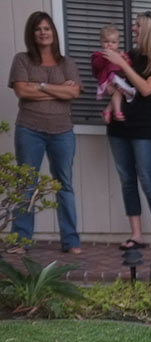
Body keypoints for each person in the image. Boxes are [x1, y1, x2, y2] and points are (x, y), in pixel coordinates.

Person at [6, 11, 82, 255]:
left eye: (47, 28)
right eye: (38, 29)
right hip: (29, 129)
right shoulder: (22, 60)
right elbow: (22, 91)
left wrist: (38, 85)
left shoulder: (67, 63)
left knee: (64, 185)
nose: (43, 32)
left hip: (62, 131)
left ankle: (70, 241)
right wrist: (57, 90)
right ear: (32, 33)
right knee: (26, 184)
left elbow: (74, 94)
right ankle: (21, 241)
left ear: (53, 32)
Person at [101, 11, 151, 253]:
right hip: (119, 127)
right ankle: (136, 235)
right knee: (127, 180)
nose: (133, 29)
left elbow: (145, 89)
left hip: (145, 129)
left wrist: (123, 64)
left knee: (147, 179)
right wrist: (109, 101)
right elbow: (122, 87)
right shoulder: (132, 55)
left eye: (137, 25)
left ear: (150, 30)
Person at [91, 25, 136, 124]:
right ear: (101, 42)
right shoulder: (98, 55)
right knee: (119, 91)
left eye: (113, 42)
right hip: (107, 81)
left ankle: (108, 111)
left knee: (121, 91)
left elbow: (128, 67)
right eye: (106, 42)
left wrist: (125, 59)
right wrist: (105, 57)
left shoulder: (120, 54)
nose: (109, 45)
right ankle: (117, 112)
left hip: (118, 79)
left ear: (118, 43)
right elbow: (97, 66)